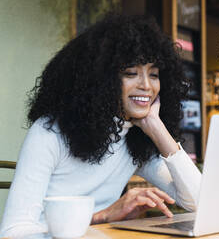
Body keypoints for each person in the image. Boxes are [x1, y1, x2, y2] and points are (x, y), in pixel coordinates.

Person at [0, 13, 201, 238]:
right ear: (101, 78)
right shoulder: (49, 132)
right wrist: (103, 215)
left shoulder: (137, 138)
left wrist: (155, 126)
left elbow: (199, 201)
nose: (146, 85)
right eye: (130, 73)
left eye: (153, 75)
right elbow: (14, 232)